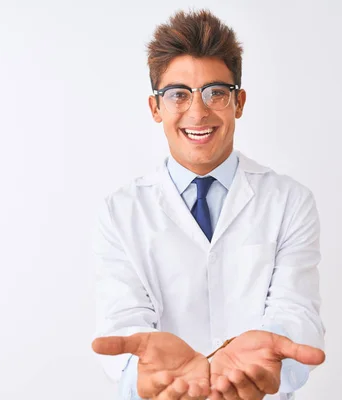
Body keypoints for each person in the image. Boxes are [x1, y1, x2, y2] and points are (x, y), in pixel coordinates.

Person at [91, 9, 326, 400]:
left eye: (216, 92)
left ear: (239, 102)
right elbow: (123, 319)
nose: (198, 112)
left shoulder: (289, 201)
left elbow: (295, 310)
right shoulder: (120, 212)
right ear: (155, 108)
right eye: (178, 94)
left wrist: (267, 356)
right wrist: (143, 373)